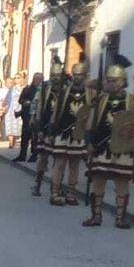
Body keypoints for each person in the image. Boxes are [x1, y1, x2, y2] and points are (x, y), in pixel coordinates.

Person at [81, 56, 134, 229]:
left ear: (123, 81)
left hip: (123, 149)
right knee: (98, 181)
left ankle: (120, 217)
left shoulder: (133, 102)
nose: (111, 83)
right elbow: (90, 124)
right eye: (109, 80)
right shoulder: (99, 101)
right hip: (101, 147)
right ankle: (96, 216)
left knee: (122, 183)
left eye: (114, 80)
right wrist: (89, 143)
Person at [44, 61, 91, 206]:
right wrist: (51, 132)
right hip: (62, 132)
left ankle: (71, 192)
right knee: (59, 163)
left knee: (75, 164)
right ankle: (55, 192)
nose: (77, 77)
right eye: (75, 74)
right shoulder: (64, 92)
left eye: (80, 75)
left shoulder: (90, 94)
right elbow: (55, 113)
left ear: (85, 76)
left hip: (78, 134)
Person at [31, 61, 65, 196]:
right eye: (53, 75)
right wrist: (38, 128)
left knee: (59, 161)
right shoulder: (44, 90)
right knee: (43, 158)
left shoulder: (66, 90)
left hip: (60, 129)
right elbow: (37, 108)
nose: (56, 77)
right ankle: (37, 184)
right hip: (45, 128)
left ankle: (57, 187)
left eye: (58, 75)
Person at [13, 72, 42, 161]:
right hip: (26, 116)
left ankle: (34, 155)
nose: (36, 80)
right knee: (25, 136)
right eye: (35, 78)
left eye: (38, 79)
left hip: (37, 117)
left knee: (35, 137)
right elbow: (20, 100)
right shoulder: (27, 89)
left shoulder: (43, 90)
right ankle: (22, 155)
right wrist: (25, 102)